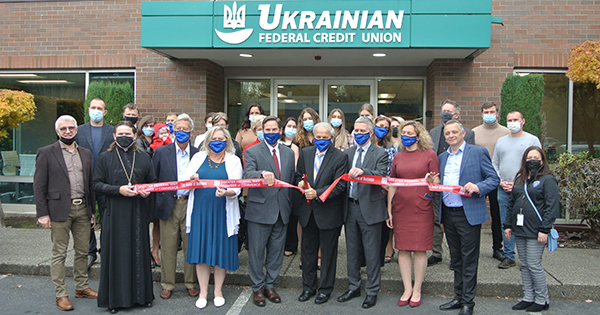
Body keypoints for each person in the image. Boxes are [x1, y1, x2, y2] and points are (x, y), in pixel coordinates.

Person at [432, 120, 499, 315]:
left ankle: (468, 302)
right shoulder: (442, 157)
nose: (451, 136)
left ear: (463, 134)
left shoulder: (477, 153)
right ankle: (458, 297)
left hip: (467, 214)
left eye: (454, 132)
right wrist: (433, 182)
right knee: (456, 259)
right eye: (447, 133)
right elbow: (441, 184)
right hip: (449, 214)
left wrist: (479, 187)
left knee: (469, 259)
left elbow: (493, 179)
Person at [34, 115, 98, 311]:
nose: (68, 131)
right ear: (57, 131)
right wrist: (43, 214)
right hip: (58, 210)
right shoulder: (46, 152)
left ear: (76, 130)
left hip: (82, 209)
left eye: (71, 128)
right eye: (63, 129)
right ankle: (61, 293)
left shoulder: (85, 153)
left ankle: (81, 287)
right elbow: (39, 185)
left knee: (82, 252)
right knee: (59, 253)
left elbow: (90, 184)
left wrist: (91, 211)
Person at [93, 121, 157, 314]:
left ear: (134, 135)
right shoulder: (105, 158)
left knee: (138, 251)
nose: (124, 136)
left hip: (137, 210)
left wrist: (147, 191)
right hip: (114, 211)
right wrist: (117, 190)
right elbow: (96, 183)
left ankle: (142, 296)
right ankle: (116, 300)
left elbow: (152, 181)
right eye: (120, 133)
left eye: (128, 134)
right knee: (117, 253)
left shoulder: (144, 157)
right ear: (114, 136)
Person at [185, 126, 243, 309]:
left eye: (221, 139)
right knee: (201, 253)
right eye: (214, 139)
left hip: (222, 212)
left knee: (220, 252)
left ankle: (218, 291)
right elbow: (184, 183)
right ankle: (203, 293)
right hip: (200, 212)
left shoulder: (234, 161)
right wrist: (191, 179)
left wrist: (227, 192)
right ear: (207, 141)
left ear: (227, 141)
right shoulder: (198, 158)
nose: (218, 142)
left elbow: (238, 188)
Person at [243, 116, 296, 307]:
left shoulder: (288, 153)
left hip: (282, 210)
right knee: (257, 252)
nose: (271, 133)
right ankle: (257, 287)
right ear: (262, 131)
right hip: (260, 210)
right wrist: (260, 174)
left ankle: (270, 285)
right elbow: (247, 174)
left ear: (280, 131)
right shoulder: (252, 151)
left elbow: (290, 179)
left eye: (275, 130)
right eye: (268, 130)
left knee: (276, 251)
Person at [337, 117, 388, 309]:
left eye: (362, 131)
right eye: (356, 131)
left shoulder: (380, 153)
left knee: (372, 252)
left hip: (371, 208)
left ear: (371, 132)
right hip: (350, 207)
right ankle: (353, 286)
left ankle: (372, 290)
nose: (358, 134)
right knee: (352, 250)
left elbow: (382, 175)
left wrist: (363, 171)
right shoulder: (347, 153)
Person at [386, 120, 437, 308]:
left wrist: (432, 180)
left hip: (421, 208)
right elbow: (392, 182)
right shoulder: (398, 157)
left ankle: (417, 289)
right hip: (401, 207)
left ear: (418, 135)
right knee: (404, 248)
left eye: (410, 133)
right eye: (403, 133)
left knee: (420, 249)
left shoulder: (429, 154)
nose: (406, 136)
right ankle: (407, 288)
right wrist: (389, 210)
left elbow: (437, 180)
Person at [295, 122, 348, 305]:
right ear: (313, 137)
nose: (321, 140)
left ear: (331, 138)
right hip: (308, 212)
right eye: (318, 137)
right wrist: (300, 184)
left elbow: (340, 185)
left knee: (327, 255)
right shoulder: (306, 153)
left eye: (325, 138)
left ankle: (325, 290)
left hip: (329, 213)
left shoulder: (340, 157)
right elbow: (298, 176)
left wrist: (318, 193)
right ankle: (308, 288)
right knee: (308, 253)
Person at [504, 146, 558, 312]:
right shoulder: (520, 178)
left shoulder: (548, 180)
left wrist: (544, 229)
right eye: (529, 158)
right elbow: (511, 203)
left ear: (542, 161)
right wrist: (507, 225)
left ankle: (542, 299)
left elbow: (551, 206)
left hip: (536, 230)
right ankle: (528, 297)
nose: (532, 161)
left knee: (534, 264)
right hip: (520, 229)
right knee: (525, 264)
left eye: (536, 157)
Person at [153, 114, 200, 300]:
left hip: (191, 204)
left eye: (185, 129)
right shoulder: (162, 152)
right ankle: (167, 284)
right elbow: (154, 178)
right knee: (169, 246)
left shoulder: (198, 154)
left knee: (191, 246)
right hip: (169, 204)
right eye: (177, 128)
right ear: (173, 130)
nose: (181, 132)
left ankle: (191, 283)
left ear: (191, 132)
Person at [428, 99, 475, 267]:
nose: (445, 114)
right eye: (443, 110)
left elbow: (470, 159)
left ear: (457, 114)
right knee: (436, 218)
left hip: (457, 186)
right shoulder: (433, 132)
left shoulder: (468, 133)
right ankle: (436, 252)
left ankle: (457, 255)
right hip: (437, 183)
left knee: (454, 222)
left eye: (449, 111)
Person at [493, 110, 541, 269]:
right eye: (509, 120)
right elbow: (495, 165)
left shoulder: (532, 140)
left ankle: (527, 258)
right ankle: (509, 256)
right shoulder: (501, 141)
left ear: (523, 121)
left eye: (515, 119)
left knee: (526, 222)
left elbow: (537, 165)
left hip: (524, 190)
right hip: (504, 189)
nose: (512, 122)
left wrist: (520, 183)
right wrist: (500, 182)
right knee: (505, 222)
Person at [76, 98, 114, 269]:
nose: (96, 110)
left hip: (106, 182)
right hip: (84, 182)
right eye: (93, 107)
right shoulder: (79, 131)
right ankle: (90, 252)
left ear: (105, 112)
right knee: (86, 218)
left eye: (99, 108)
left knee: (107, 217)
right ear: (88, 109)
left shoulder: (112, 131)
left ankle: (106, 251)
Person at [472, 102, 510, 262]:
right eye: (486, 111)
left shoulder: (506, 133)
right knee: (474, 215)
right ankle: (472, 249)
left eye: (492, 111)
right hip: (478, 180)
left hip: (497, 180)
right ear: (481, 114)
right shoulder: (473, 133)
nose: (489, 114)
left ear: (497, 113)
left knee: (497, 215)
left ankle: (498, 248)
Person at [135, 115, 161, 268]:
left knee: (157, 221)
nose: (149, 128)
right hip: (144, 186)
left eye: (152, 125)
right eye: (147, 125)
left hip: (158, 185)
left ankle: (155, 251)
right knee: (144, 222)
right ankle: (146, 254)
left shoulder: (160, 141)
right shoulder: (138, 142)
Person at [371, 115, 398, 265]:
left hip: (385, 193)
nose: (383, 129)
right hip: (369, 191)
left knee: (383, 226)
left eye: (386, 128)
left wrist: (387, 185)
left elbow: (393, 169)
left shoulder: (391, 148)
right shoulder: (365, 145)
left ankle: (383, 254)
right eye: (380, 126)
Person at [279, 117, 301, 257]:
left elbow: (294, 168)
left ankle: (291, 246)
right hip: (276, 184)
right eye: (289, 125)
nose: (291, 128)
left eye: (294, 126)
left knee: (292, 217)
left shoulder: (296, 146)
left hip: (291, 184)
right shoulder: (277, 144)